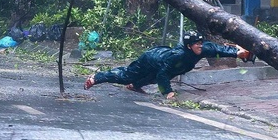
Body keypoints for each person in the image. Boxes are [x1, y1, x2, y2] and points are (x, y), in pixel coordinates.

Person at [84, 31, 253, 99]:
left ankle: (134, 86)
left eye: (201, 43)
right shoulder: (178, 55)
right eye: (197, 44)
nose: (200, 46)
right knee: (126, 76)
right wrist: (168, 93)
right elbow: (162, 75)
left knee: (150, 79)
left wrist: (237, 53)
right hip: (151, 58)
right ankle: (97, 77)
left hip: (164, 64)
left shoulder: (202, 49)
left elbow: (217, 49)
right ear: (189, 46)